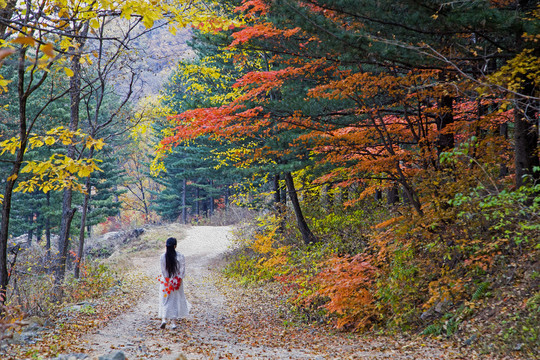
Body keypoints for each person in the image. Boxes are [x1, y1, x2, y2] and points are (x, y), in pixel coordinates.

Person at [158, 237, 191, 329]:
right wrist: (177, 281)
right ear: (175, 246)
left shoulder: (163, 257)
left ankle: (164, 319)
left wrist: (168, 282)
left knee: (164, 299)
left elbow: (164, 271)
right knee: (175, 301)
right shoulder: (180, 256)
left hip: (165, 282)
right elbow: (182, 270)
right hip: (177, 281)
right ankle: (173, 323)